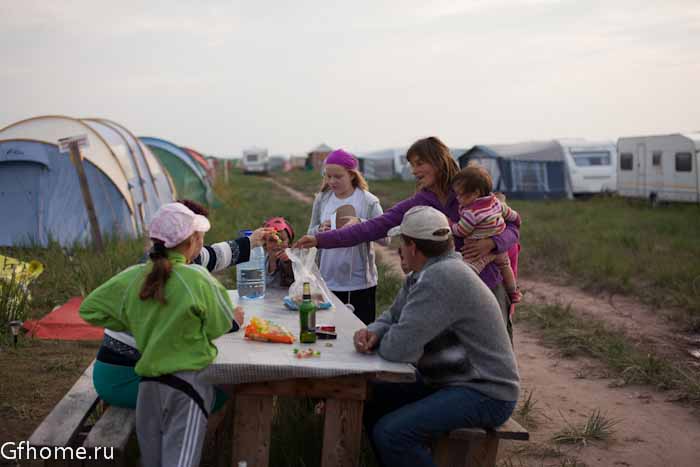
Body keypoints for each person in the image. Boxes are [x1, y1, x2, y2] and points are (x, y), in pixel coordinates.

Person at [296, 137, 520, 334]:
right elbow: (372, 227)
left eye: (420, 163)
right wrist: (319, 239)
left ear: (439, 161)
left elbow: (513, 226)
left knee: (493, 342)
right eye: (412, 164)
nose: (414, 170)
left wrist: (492, 242)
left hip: (486, 281)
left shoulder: (467, 188)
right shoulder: (420, 201)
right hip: (445, 286)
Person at [353, 206, 519, 467]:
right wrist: (374, 331)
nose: (400, 249)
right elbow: (393, 315)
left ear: (414, 248)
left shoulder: (442, 278)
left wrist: (382, 339)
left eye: (402, 243)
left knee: (392, 433)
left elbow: (399, 350)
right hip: (452, 380)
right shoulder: (427, 273)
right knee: (372, 395)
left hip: (485, 391)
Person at [80, 202, 240, 467]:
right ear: (193, 241)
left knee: (151, 461)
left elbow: (90, 310)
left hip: (147, 383)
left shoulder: (133, 276)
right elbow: (220, 324)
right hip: (188, 385)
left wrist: (142, 321)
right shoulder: (198, 279)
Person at [88, 199, 273, 410]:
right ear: (189, 239)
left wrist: (252, 241)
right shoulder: (165, 276)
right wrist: (227, 322)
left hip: (125, 372)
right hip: (126, 380)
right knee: (219, 392)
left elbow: (215, 255)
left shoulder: (169, 260)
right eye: (200, 236)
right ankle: (200, 441)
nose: (203, 242)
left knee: (211, 380)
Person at [307, 149, 384, 325]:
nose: (332, 181)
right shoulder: (322, 199)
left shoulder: (368, 201)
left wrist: (361, 223)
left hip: (360, 285)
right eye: (328, 176)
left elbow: (385, 238)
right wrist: (319, 229)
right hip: (326, 283)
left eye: (338, 176)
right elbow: (309, 233)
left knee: (359, 335)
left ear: (352, 175)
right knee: (329, 337)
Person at [451, 166, 522, 303]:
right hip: (500, 249)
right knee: (505, 267)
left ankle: (464, 293)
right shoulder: (495, 202)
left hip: (478, 250)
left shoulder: (472, 213)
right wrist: (517, 218)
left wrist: (450, 224)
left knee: (470, 269)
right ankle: (513, 292)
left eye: (461, 195)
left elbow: (462, 231)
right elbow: (509, 213)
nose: (458, 198)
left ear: (475, 193)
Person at [263, 216, 295, 288]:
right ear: (265, 244)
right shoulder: (261, 261)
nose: (277, 244)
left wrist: (288, 262)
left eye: (282, 240)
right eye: (272, 240)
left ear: (289, 244)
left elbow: (292, 273)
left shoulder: (290, 260)